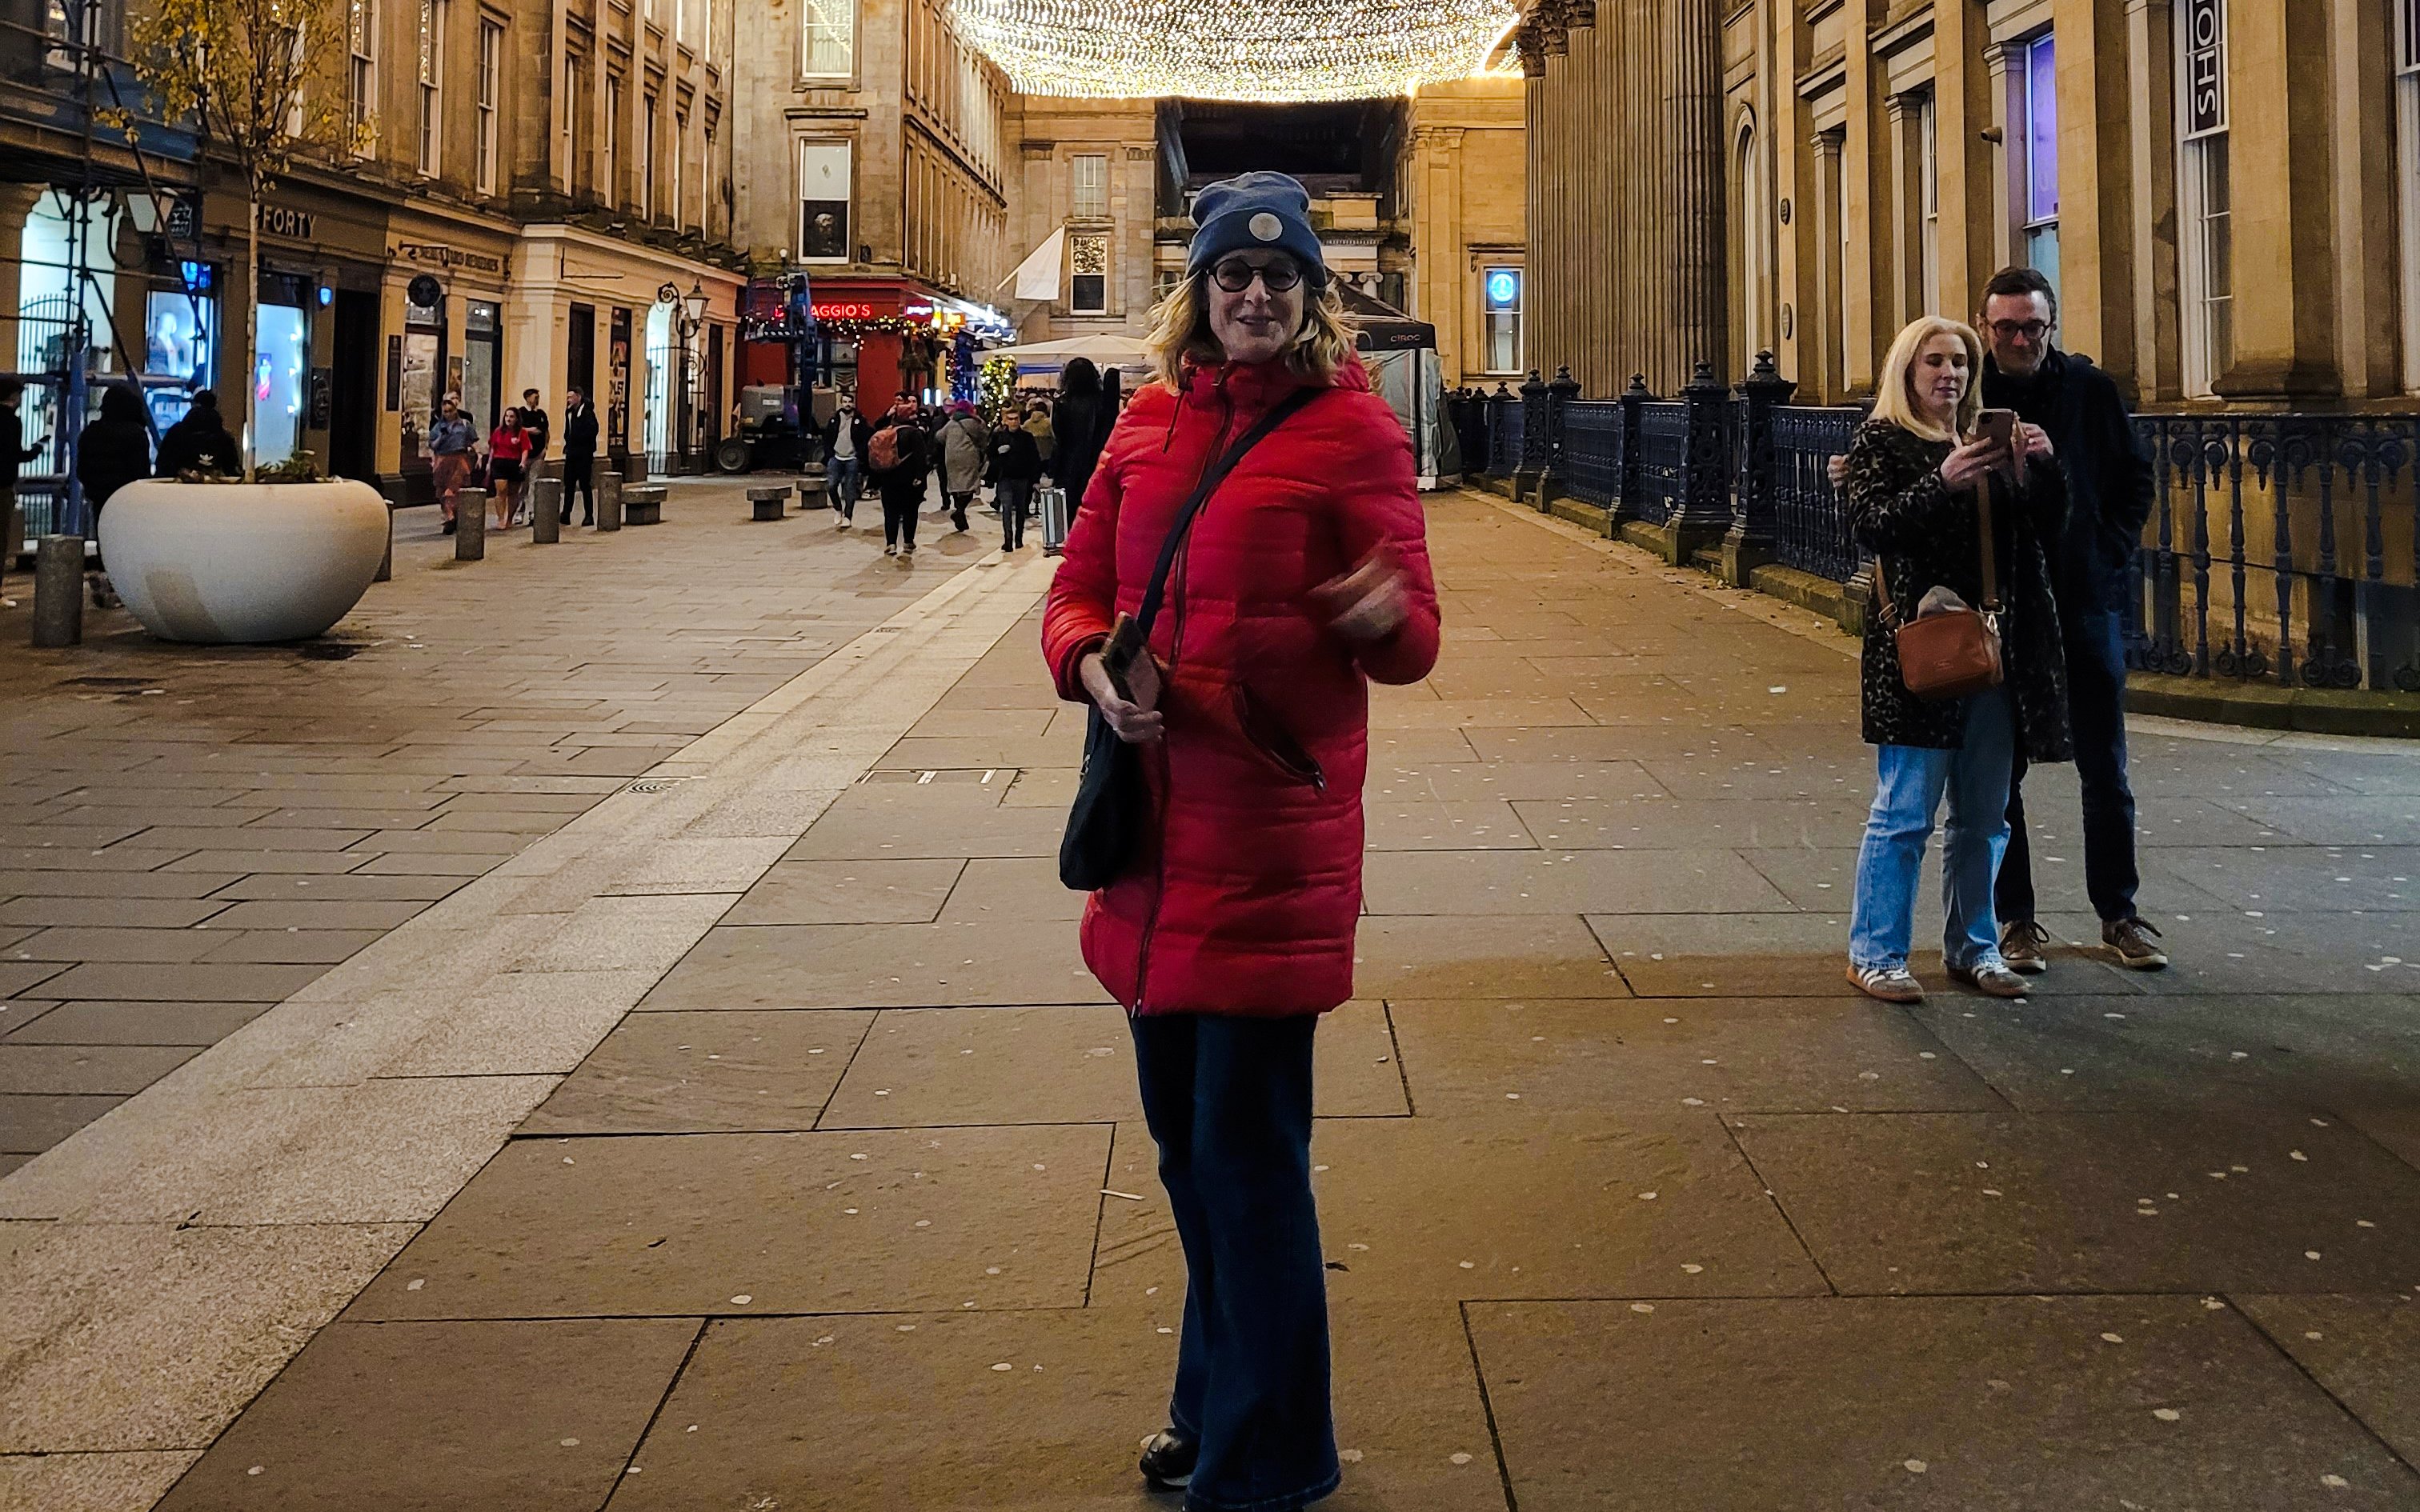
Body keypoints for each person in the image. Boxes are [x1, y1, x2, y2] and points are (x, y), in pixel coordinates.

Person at [1041, 170, 1440, 1512]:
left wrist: (1373, 611)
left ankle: (1271, 1458)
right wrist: (1088, 662)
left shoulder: (1353, 435)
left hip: (1270, 844)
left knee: (1246, 1158)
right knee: (1183, 1150)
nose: (1254, 295)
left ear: (1309, 298)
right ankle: (1215, 1396)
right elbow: (1078, 580)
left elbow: (1416, 643)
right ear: (1199, 297)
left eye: (1277, 278)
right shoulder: (1146, 422)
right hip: (1153, 847)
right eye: (1230, 277)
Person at [1841, 314, 2071, 1006]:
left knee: (1986, 813)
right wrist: (1940, 481)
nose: (1951, 375)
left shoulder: (1988, 441)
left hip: (1997, 649)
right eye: (1935, 362)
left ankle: (1974, 945)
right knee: (1905, 811)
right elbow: (1872, 527)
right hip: (1925, 649)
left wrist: (2040, 468)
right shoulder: (1882, 440)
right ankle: (1876, 952)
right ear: (1907, 372)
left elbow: (2045, 531)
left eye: (1962, 364)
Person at [1973, 267, 2166, 974]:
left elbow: (2135, 478)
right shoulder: (1970, 393)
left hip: (2082, 602)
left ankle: (2120, 913)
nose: (2021, 339)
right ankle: (2015, 920)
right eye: (2007, 328)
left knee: (2105, 768)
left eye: (2034, 326)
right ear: (1986, 326)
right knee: (2001, 773)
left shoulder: (2090, 391)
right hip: (2004, 606)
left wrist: (2106, 551)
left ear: (2050, 326)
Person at [76, 384, 151, 593]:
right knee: (127, 541)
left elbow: (81, 470)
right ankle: (122, 586)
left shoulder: (91, 432)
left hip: (99, 495)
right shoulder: (136, 434)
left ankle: (105, 576)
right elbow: (140, 471)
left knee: (104, 538)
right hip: (127, 497)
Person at [865, 393, 930, 558]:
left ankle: (891, 543)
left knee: (891, 512)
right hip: (909, 480)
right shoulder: (914, 433)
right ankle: (908, 542)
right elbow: (921, 457)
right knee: (910, 511)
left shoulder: (887, 432)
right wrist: (920, 476)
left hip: (889, 478)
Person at [1050, 357, 1110, 511]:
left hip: (1068, 467)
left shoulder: (1062, 403)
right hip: (1096, 463)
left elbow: (1059, 437)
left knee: (1069, 515)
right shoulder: (1103, 402)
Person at [983, 405, 1042, 552]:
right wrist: (998, 454)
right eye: (1011, 419)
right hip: (1005, 478)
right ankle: (1008, 539)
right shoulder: (999, 437)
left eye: (1016, 419)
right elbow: (990, 454)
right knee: (1007, 508)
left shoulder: (1027, 438)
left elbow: (1034, 458)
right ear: (1005, 421)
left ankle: (1019, 538)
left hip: (1022, 478)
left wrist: (1035, 480)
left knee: (1021, 510)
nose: (1014, 422)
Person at [154, 388, 239, 479]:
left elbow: (163, 463)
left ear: (194, 404)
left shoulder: (177, 432)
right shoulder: (223, 437)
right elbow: (231, 468)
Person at [427, 396, 478, 534]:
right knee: (442, 490)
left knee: (453, 489)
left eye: (450, 411)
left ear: (455, 411)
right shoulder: (438, 427)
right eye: (445, 411)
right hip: (442, 459)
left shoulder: (465, 425)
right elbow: (433, 445)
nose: (447, 414)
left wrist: (477, 455)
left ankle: (451, 517)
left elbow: (473, 442)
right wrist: (442, 436)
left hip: (459, 459)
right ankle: (451, 515)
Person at [938, 400, 988, 532]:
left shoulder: (952, 422)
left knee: (956, 485)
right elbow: (984, 438)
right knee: (970, 486)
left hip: (951, 457)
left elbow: (939, 436)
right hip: (968, 457)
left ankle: (959, 513)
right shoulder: (975, 423)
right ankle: (960, 512)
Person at [823, 402, 872, 526]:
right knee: (831, 485)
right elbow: (827, 437)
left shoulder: (860, 420)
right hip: (836, 457)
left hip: (852, 459)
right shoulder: (834, 419)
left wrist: (859, 455)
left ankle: (848, 516)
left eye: (850, 402)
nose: (847, 404)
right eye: (845, 402)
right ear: (841, 403)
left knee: (850, 489)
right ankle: (838, 509)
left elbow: (865, 438)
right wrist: (829, 454)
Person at [487, 406, 531, 529]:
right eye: (507, 416)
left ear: (517, 419)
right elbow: (492, 448)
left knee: (513, 493)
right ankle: (500, 519)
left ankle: (510, 518)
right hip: (499, 462)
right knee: (501, 490)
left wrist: (523, 462)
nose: (509, 419)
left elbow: (525, 449)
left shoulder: (522, 433)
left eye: (511, 417)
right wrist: (489, 464)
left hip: (514, 463)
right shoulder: (498, 431)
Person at [561, 388, 598, 526]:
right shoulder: (569, 412)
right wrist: (568, 441)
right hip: (571, 453)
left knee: (585, 485)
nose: (569, 400)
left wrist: (579, 440)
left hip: (584, 454)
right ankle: (566, 513)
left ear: (579, 397)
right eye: (568, 397)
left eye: (571, 397)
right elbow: (568, 430)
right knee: (569, 485)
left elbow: (593, 431)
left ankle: (589, 515)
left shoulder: (587, 413)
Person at [519, 388, 551, 472]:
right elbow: (518, 429)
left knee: (535, 477)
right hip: (524, 453)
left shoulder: (541, 414)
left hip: (539, 452)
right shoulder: (521, 412)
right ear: (528, 398)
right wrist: (530, 430)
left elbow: (544, 430)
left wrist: (545, 448)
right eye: (535, 398)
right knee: (523, 477)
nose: (537, 400)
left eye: (538, 398)